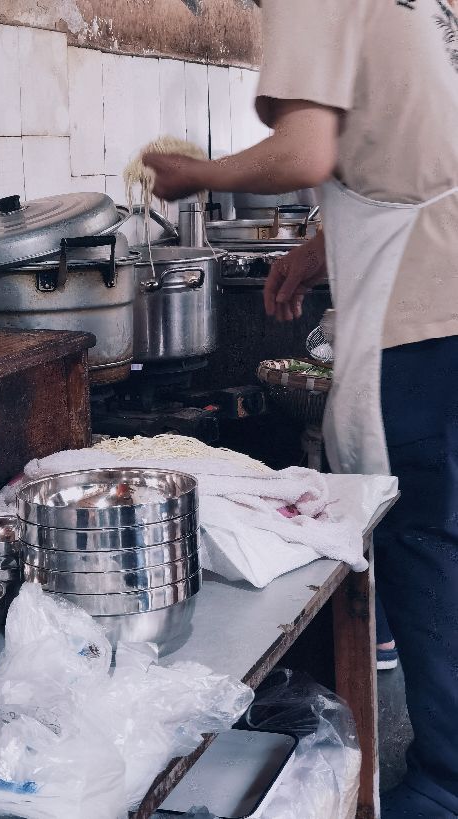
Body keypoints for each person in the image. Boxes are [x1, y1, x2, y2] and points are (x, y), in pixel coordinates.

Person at [143, 1, 458, 816]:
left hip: (424, 307)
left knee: (421, 533)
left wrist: (195, 176)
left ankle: (447, 781)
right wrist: (322, 245)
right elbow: (406, 149)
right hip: (445, 280)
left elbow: (305, 149)